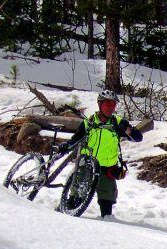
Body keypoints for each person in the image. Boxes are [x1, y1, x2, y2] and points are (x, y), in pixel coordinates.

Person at [59, 90, 143, 219]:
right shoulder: (89, 122)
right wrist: (67, 145)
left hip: (107, 168)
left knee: (107, 205)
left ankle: (104, 231)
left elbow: (138, 137)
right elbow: (76, 138)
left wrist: (126, 129)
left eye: (113, 104)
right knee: (76, 198)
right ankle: (61, 217)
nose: (111, 107)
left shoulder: (117, 122)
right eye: (107, 103)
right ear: (100, 104)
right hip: (87, 166)